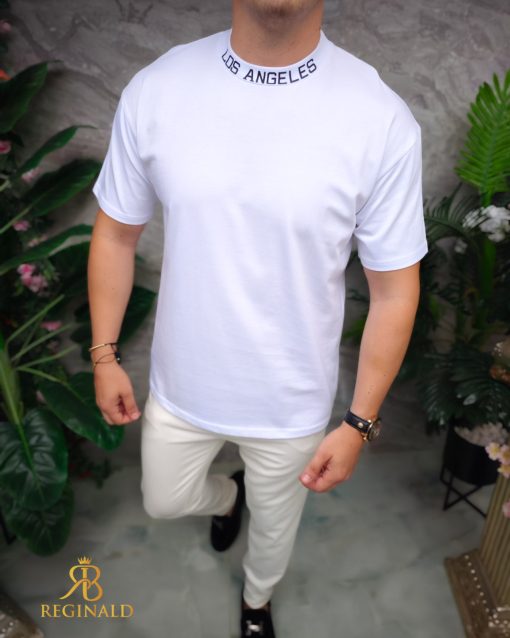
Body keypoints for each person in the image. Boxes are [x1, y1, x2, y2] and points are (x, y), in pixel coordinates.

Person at [87, 1, 428, 636]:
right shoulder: (159, 88)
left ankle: (256, 604)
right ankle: (229, 495)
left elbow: (394, 291)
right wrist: (104, 354)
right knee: (164, 500)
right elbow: (114, 234)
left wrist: (359, 423)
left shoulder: (379, 119)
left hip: (291, 401)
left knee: (275, 532)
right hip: (183, 385)